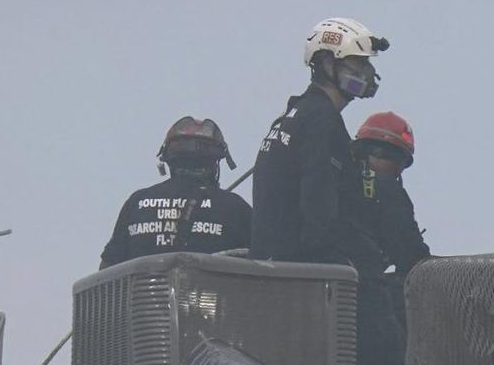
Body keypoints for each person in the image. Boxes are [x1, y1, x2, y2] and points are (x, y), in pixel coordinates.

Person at [250, 17, 389, 263]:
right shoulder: (322, 120)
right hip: (303, 274)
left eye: (366, 64)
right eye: (356, 63)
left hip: (273, 264)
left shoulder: (295, 114)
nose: (365, 73)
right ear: (326, 62)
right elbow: (319, 206)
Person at [341, 111, 430, 365]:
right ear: (399, 161)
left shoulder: (335, 181)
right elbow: (411, 256)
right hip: (367, 297)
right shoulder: (388, 191)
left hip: (320, 296)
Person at [100, 117, 250, 269]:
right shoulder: (236, 208)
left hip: (144, 293)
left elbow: (106, 271)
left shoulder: (137, 203)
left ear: (168, 159)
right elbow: (264, 262)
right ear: (215, 162)